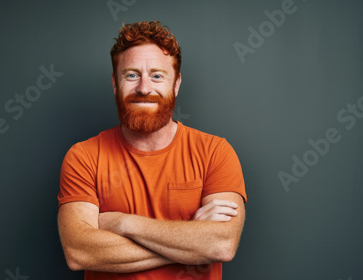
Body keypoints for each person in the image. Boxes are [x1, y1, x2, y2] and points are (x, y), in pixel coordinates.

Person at [57, 21, 247, 280]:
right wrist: (192, 239)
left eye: (157, 75)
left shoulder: (215, 152)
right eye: (132, 75)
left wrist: (123, 223)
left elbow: (221, 245)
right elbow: (79, 252)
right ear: (115, 83)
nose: (144, 88)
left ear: (176, 83)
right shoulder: (84, 157)